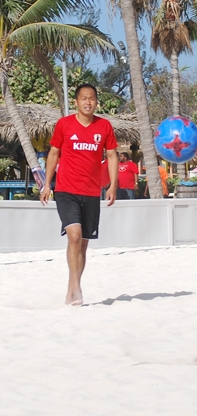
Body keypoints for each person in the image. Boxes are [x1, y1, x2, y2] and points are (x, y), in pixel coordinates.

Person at [40, 84, 118, 305]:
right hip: (66, 190)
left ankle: (73, 287)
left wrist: (112, 185)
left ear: (96, 102)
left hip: (92, 192)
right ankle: (75, 287)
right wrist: (47, 184)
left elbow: (112, 156)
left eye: (92, 98)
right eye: (84, 98)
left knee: (82, 244)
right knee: (73, 236)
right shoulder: (64, 125)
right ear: (76, 102)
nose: (88, 102)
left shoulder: (104, 126)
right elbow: (54, 153)